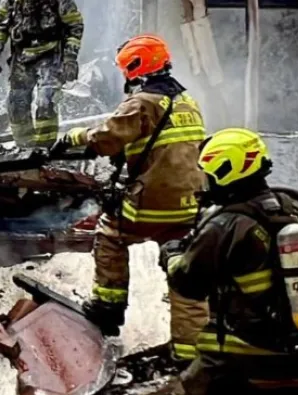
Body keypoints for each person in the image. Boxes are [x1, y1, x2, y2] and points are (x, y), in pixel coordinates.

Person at [50, 34, 208, 361]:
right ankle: (190, 352)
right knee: (182, 268)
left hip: (152, 204)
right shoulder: (187, 102)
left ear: (136, 67)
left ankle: (108, 308)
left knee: (110, 234)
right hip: (191, 204)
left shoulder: (142, 103)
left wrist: (73, 137)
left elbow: (106, 138)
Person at [170, 128, 298, 394]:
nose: (205, 183)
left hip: (242, 363)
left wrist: (172, 255)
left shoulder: (225, 224)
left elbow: (188, 285)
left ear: (225, 171)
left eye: (209, 175)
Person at [0, 0, 83, 147]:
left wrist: (70, 58)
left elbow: (75, 25)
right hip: (21, 56)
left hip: (51, 55)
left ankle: (45, 147)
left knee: (46, 102)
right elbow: (1, 25)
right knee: (16, 104)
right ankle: (25, 147)